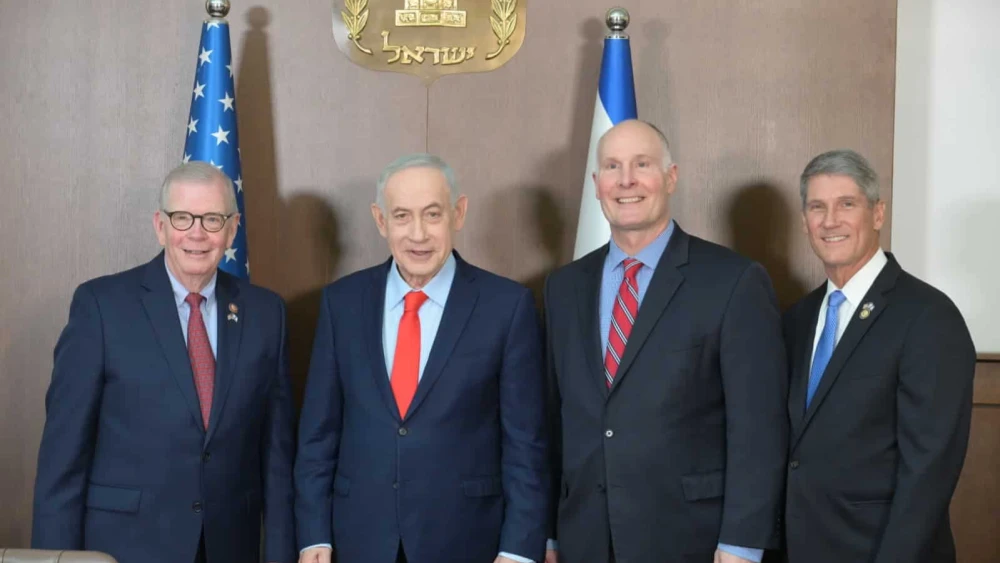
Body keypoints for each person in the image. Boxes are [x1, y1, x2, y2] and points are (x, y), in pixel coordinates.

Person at [544, 120, 787, 563]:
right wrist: (549, 535)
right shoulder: (564, 288)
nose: (626, 180)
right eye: (613, 167)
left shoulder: (732, 281)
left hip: (691, 540)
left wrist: (741, 543)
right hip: (585, 539)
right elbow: (555, 421)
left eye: (642, 164)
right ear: (597, 185)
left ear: (671, 177)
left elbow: (759, 428)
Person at [31, 161, 296, 563]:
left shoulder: (266, 314)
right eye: (182, 217)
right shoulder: (101, 307)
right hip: (124, 549)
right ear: (160, 225)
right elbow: (62, 462)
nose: (196, 233)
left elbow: (276, 462)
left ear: (232, 228)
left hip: (230, 548)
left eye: (212, 219)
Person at [294, 154, 549, 563]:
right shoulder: (341, 304)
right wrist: (313, 537)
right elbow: (317, 437)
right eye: (402, 216)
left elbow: (526, 446)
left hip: (467, 542)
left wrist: (519, 549)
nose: (418, 234)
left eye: (433, 214)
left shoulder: (507, 306)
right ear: (381, 221)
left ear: (458, 213)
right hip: (357, 542)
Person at [780, 149, 976, 563]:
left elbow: (929, 472)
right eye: (818, 207)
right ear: (804, 222)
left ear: (878, 213)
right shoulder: (796, 319)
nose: (830, 221)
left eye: (846, 204)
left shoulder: (928, 316)